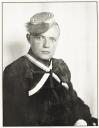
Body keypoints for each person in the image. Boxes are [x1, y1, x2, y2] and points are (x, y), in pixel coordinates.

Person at [3, 12, 97, 126]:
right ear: (29, 38)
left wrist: (80, 119)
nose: (46, 45)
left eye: (52, 39)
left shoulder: (60, 67)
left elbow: (74, 102)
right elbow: (15, 120)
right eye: (40, 37)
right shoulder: (15, 71)